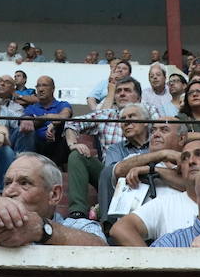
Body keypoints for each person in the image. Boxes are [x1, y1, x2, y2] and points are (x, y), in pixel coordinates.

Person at [0, 152, 106, 246]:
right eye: (7, 183)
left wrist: (43, 230)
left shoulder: (78, 226)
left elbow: (104, 253)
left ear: (54, 195)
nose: (9, 191)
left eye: (24, 183)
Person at [63, 77, 158, 219]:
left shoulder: (149, 112)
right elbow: (72, 124)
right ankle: (78, 213)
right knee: (77, 156)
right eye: (118, 91)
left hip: (146, 172)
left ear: (138, 97)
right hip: (109, 175)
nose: (121, 94)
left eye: (127, 90)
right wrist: (73, 144)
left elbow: (162, 131)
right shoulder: (106, 114)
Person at [110, 138, 200, 246]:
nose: (191, 161)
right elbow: (121, 228)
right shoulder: (165, 204)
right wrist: (153, 262)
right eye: (185, 158)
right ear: (180, 168)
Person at [17, 75, 72, 166]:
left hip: (56, 145)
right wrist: (47, 118)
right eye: (38, 86)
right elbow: (28, 121)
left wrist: (53, 125)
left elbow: (65, 115)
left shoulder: (62, 104)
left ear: (53, 89)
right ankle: (25, 164)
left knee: (64, 129)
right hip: (36, 146)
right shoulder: (31, 108)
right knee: (27, 129)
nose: (40, 89)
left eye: (44, 85)